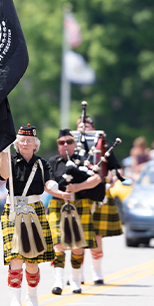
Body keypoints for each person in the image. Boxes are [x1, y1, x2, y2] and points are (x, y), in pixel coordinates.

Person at [0, 124, 56, 306]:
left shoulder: (41, 164)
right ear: (17, 143)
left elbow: (48, 182)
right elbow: (4, 175)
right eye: (22, 140)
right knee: (15, 258)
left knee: (32, 261)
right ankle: (15, 301)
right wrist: (3, 154)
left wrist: (54, 186)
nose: (25, 143)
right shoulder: (11, 160)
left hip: (33, 209)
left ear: (35, 145)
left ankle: (32, 297)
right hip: (13, 209)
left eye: (28, 141)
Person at [45, 129, 101, 295]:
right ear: (58, 146)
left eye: (69, 141)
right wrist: (60, 193)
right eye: (62, 142)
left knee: (78, 247)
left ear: (74, 144)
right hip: (58, 203)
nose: (65, 145)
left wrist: (78, 187)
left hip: (79, 203)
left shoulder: (83, 160)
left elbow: (97, 178)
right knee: (59, 244)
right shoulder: (52, 162)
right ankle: (58, 281)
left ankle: (76, 280)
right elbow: (46, 184)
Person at [78, 116, 122, 285]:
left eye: (87, 125)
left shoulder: (102, 145)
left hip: (100, 192)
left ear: (93, 128)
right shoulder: (72, 145)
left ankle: (96, 271)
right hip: (80, 193)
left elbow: (115, 168)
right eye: (80, 126)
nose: (84, 128)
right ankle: (78, 273)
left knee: (96, 235)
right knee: (79, 234)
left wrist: (111, 179)